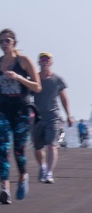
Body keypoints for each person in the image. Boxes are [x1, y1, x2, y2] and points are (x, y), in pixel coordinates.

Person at [0, 29, 41, 204]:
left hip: (21, 110)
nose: (4, 44)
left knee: (19, 149)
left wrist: (18, 77)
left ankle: (23, 176)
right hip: (1, 108)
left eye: (7, 40)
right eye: (1, 41)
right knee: (3, 148)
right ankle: (4, 188)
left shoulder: (23, 61)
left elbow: (37, 87)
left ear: (14, 42)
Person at [32, 52, 72, 183]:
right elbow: (26, 97)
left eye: (47, 60)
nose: (44, 62)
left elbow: (63, 97)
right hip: (38, 117)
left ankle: (49, 173)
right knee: (37, 147)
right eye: (42, 60)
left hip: (53, 116)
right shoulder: (35, 79)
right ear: (39, 63)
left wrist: (68, 115)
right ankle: (42, 167)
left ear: (50, 62)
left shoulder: (57, 80)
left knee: (51, 145)